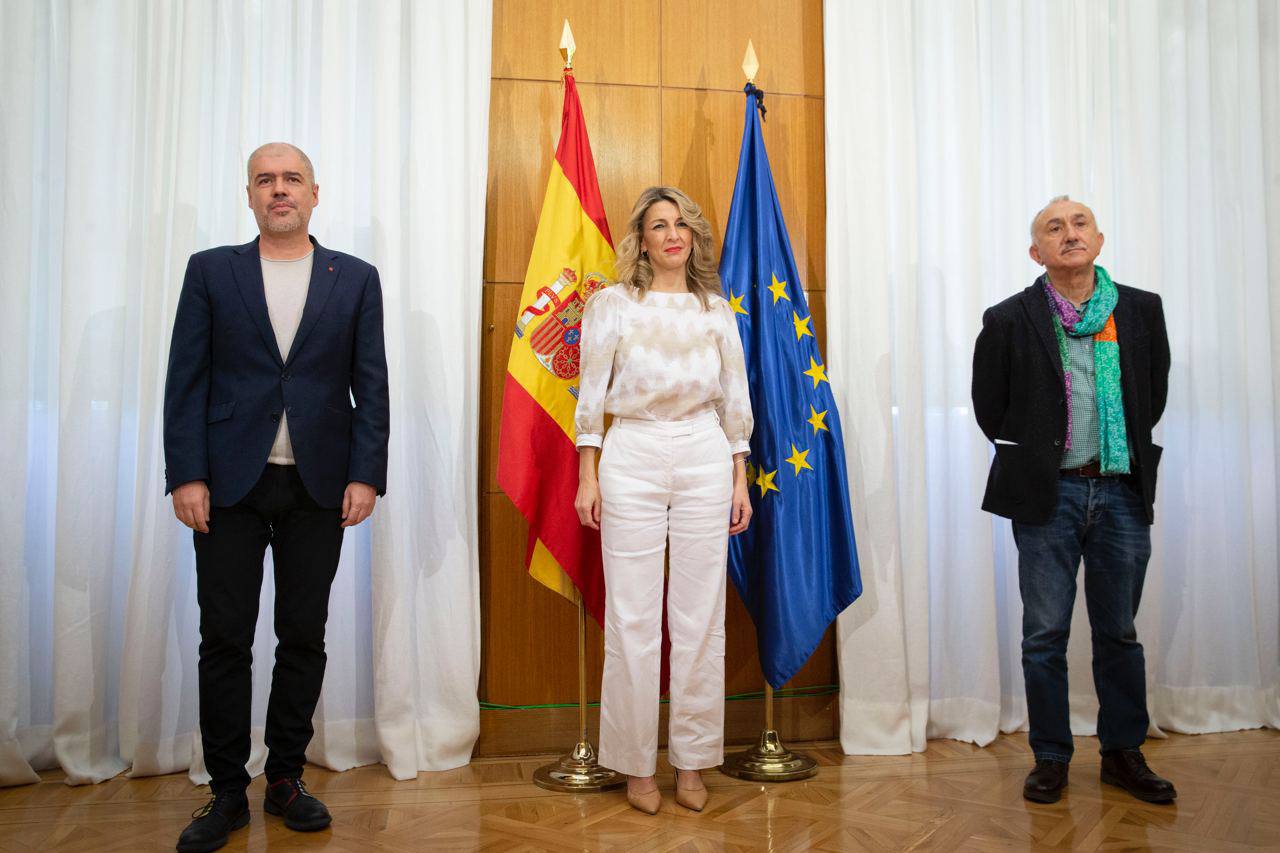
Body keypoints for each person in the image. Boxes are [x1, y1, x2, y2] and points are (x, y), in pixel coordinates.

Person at [164, 142, 389, 852]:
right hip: (228, 483)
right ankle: (227, 790)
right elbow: (185, 380)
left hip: (319, 484)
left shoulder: (355, 278)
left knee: (303, 635)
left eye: (292, 179)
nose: (279, 189)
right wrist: (186, 474)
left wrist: (366, 473)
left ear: (315, 193)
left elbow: (372, 385)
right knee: (224, 638)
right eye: (266, 180)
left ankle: (286, 777)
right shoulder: (211, 271)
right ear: (250, 195)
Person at [971, 196, 1174, 805]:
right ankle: (1052, 757)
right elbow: (990, 407)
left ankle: (1123, 753)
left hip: (1121, 491)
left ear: (1099, 240)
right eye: (1054, 228)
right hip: (1047, 496)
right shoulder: (1009, 318)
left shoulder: (1140, 310)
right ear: (1037, 253)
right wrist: (1040, 454)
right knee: (1044, 634)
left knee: (1119, 633)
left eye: (1080, 223)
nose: (1070, 233)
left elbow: (1152, 396)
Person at [573, 186, 753, 815]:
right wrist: (588, 475)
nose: (672, 234)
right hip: (634, 452)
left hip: (705, 452)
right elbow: (591, 392)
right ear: (642, 240)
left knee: (701, 616)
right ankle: (635, 765)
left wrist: (739, 476)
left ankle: (693, 761)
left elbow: (735, 398)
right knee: (632, 617)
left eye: (681, 224)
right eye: (658, 225)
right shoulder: (612, 304)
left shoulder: (715, 310)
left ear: (693, 237)